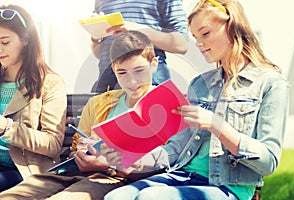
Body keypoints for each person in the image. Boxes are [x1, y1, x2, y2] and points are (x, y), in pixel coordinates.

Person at [104, 0, 289, 199]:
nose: (199, 43)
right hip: (182, 176)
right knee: (115, 197)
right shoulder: (199, 84)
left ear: (232, 26)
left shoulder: (271, 83)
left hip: (228, 187)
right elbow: (175, 149)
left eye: (206, 33)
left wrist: (216, 125)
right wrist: (137, 159)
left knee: (149, 197)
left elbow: (268, 161)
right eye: (195, 37)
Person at [0, 30, 169, 199]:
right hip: (75, 174)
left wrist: (106, 165)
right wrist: (81, 154)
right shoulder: (98, 104)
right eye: (122, 73)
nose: (131, 81)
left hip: (114, 179)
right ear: (113, 69)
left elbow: (165, 163)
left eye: (139, 70)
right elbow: (75, 151)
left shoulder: (167, 106)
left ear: (154, 64)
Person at [0, 4, 67, 192]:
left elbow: (52, 144)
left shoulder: (50, 83)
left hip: (23, 171)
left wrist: (7, 128)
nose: (0, 49)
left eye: (5, 42)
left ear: (25, 39)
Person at [91, 0, 189, 93]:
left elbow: (182, 44)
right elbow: (99, 54)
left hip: (150, 80)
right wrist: (95, 38)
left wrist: (142, 31)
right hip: (107, 83)